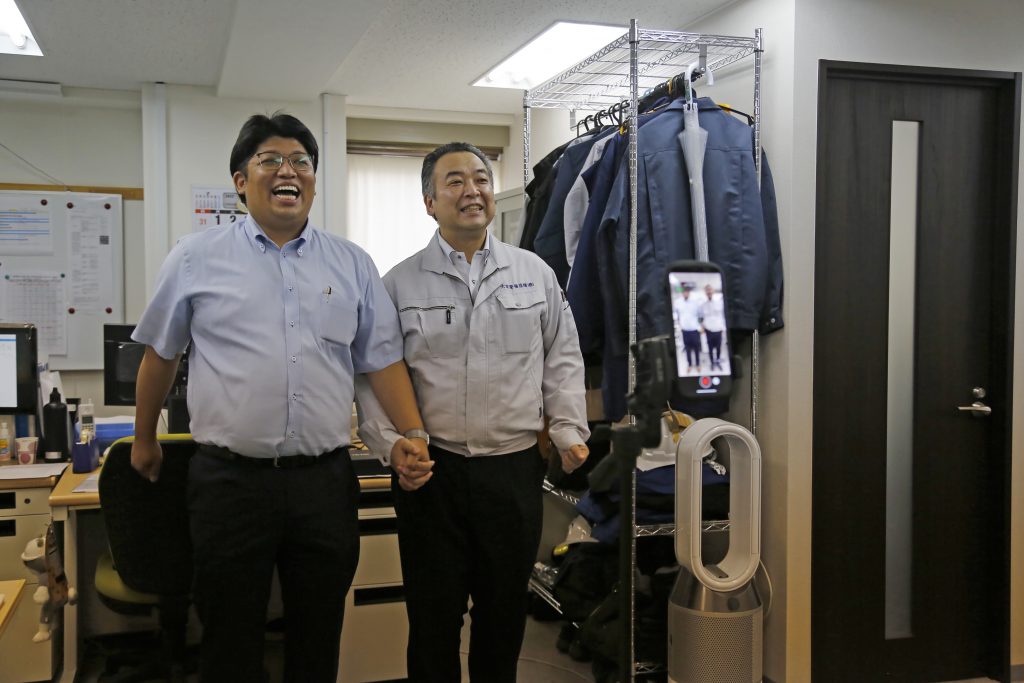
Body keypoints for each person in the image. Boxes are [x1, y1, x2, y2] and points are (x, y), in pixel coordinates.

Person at [130, 112, 432, 683]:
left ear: (313, 181)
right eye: (270, 160)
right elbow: (160, 355)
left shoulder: (352, 264)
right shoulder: (195, 257)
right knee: (229, 635)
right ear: (241, 181)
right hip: (229, 483)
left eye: (301, 162)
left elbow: (382, 359)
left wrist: (412, 434)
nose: (288, 171)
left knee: (318, 634)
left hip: (323, 481)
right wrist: (144, 439)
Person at [357, 142, 591, 683]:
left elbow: (564, 355)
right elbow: (372, 376)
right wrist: (389, 445)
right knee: (433, 618)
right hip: (431, 475)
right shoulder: (398, 284)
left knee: (503, 616)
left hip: (511, 473)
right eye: (456, 181)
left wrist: (567, 427)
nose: (473, 191)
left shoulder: (534, 274)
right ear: (429, 201)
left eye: (481, 179)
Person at [700, 283, 726, 370]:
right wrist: (702, 326)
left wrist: (723, 327)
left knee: (718, 347)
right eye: (707, 290)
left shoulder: (720, 303)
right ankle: (712, 363)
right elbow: (701, 317)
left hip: (718, 329)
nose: (709, 292)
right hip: (708, 330)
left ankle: (718, 361)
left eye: (710, 290)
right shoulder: (703, 305)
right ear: (705, 292)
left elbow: (722, 316)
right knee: (710, 348)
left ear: (713, 291)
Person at [678, 286, 703, 373]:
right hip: (685, 330)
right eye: (684, 292)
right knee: (687, 349)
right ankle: (689, 365)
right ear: (682, 293)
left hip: (694, 330)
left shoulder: (695, 303)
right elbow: (678, 316)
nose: (685, 293)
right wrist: (680, 325)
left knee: (696, 348)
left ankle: (698, 364)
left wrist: (700, 326)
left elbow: (700, 316)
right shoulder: (679, 303)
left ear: (689, 293)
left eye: (687, 292)